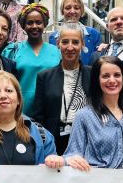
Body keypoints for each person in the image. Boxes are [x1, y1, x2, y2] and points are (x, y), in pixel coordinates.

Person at [45, 56, 123, 176]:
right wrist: (60, 160)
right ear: (97, 80)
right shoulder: (84, 116)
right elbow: (73, 155)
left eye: (117, 75)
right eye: (105, 76)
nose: (112, 80)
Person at [34, 23, 91, 154]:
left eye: (75, 42)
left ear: (82, 44)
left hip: (86, 139)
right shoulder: (44, 76)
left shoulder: (93, 74)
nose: (70, 47)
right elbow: (38, 116)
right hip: (54, 141)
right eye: (65, 42)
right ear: (58, 44)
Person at [3, 3, 60, 117]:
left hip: (51, 112)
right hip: (20, 113)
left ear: (44, 24)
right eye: (29, 23)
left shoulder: (56, 51)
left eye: (38, 22)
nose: (34, 26)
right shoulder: (12, 50)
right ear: (23, 25)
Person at [49, 0, 101, 65]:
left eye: (76, 8)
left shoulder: (94, 34)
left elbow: (97, 63)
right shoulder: (53, 37)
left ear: (81, 11)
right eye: (68, 8)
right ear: (62, 11)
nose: (72, 11)